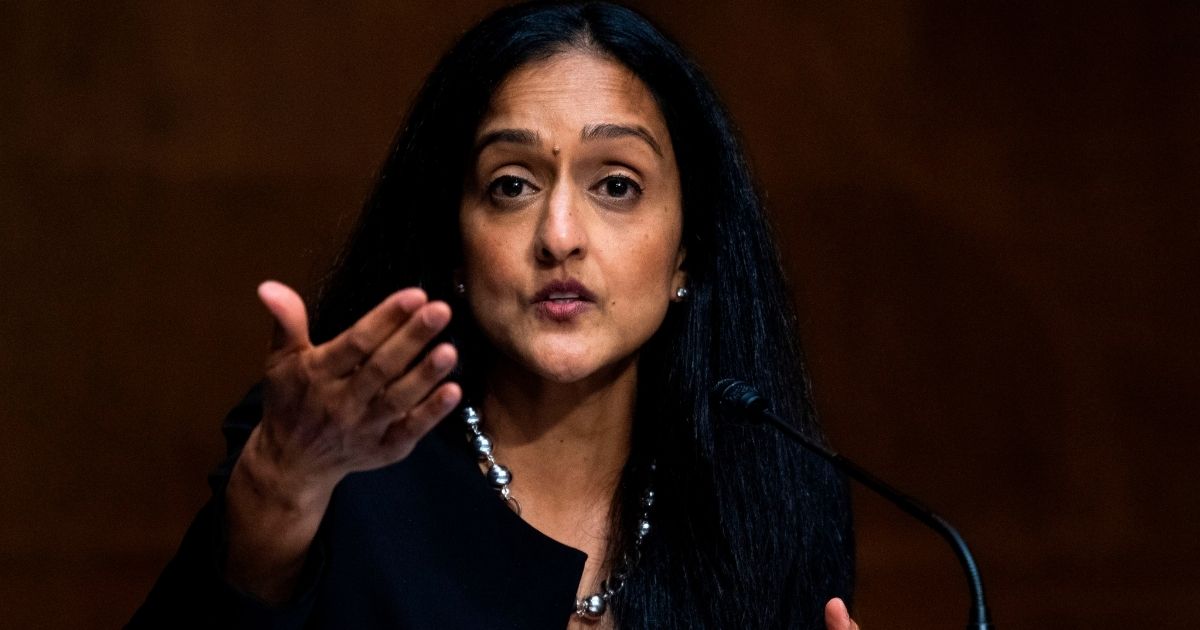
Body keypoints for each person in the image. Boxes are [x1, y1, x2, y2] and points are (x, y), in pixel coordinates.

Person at [129, 2, 858, 628]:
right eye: (511, 185)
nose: (560, 235)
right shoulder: (339, 462)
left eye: (616, 184)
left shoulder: (777, 499)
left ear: (685, 253)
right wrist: (276, 490)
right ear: (456, 244)